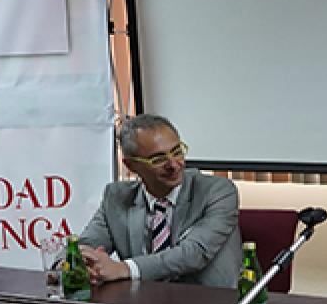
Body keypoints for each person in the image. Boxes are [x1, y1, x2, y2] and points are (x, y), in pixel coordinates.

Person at [79, 114, 242, 288]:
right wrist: (77, 263)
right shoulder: (117, 197)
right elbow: (86, 244)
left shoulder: (217, 191)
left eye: (177, 152)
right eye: (158, 159)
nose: (173, 164)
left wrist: (123, 269)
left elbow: (193, 254)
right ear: (131, 166)